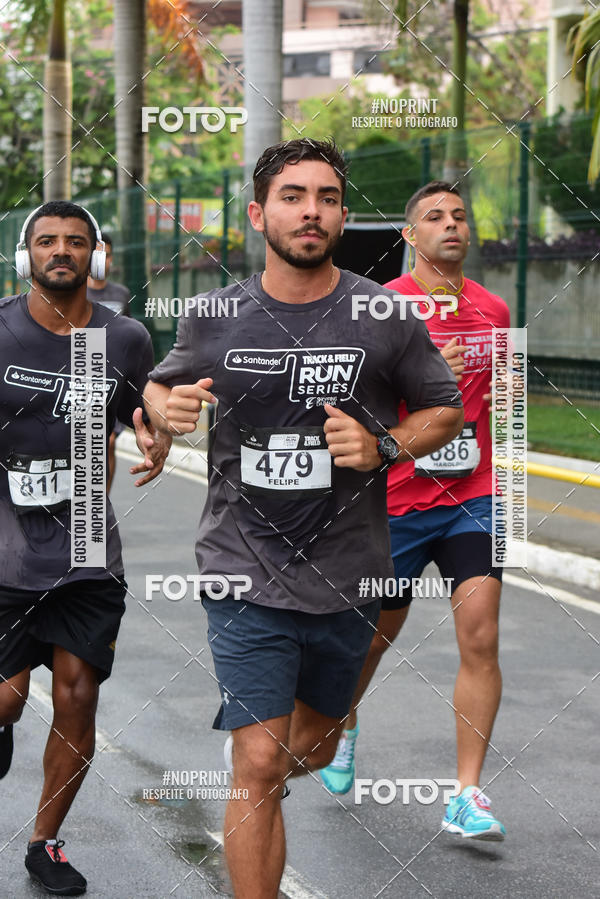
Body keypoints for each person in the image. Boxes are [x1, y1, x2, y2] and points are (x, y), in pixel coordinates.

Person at [143, 140, 464, 898]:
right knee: (258, 762)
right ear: (259, 214)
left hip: (349, 570)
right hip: (242, 567)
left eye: (325, 196)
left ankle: (273, 771)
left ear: (343, 215)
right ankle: (251, 795)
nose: (310, 210)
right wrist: (166, 409)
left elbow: (444, 410)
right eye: (292, 195)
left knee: (310, 748)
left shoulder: (384, 311)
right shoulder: (214, 314)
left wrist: (383, 443)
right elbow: (159, 392)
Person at [320, 180, 510, 842]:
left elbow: (506, 409)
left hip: (474, 496)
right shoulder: (383, 309)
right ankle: (343, 720)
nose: (451, 224)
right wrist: (429, 380)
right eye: (434, 216)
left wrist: (507, 483)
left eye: (460, 214)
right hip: (396, 501)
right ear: (410, 236)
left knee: (480, 633)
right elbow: (350, 404)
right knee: (372, 637)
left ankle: (465, 793)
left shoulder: (493, 308)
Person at [0, 201, 170, 895]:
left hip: (86, 543)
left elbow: (146, 410)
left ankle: (45, 843)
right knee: (5, 702)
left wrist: (161, 438)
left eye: (75, 241)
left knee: (77, 696)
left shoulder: (122, 337)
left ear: (96, 257)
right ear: (26, 255)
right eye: (47, 241)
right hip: (6, 543)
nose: (61, 251)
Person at [87, 232, 131, 492]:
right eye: (98, 255)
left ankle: (102, 503)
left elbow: (130, 333)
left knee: (109, 442)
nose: (103, 261)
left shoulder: (122, 294)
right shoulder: (76, 293)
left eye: (108, 255)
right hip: (84, 376)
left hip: (115, 380)